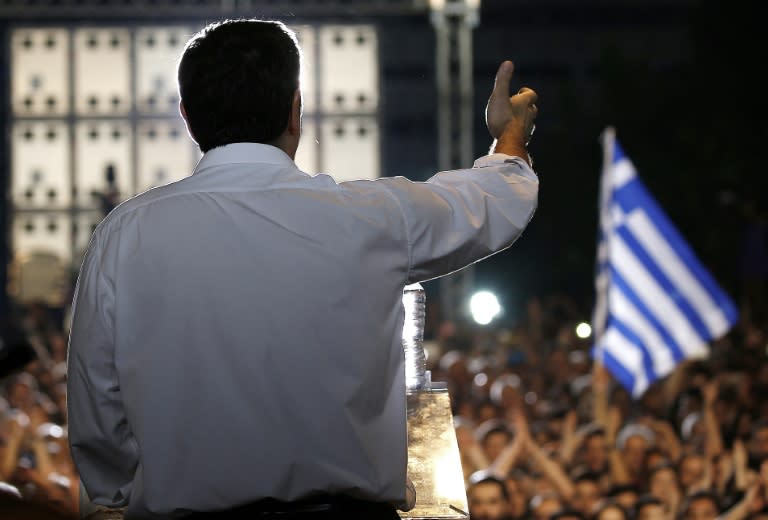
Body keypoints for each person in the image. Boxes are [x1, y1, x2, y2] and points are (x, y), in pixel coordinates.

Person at [66, 17, 539, 519]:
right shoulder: (371, 217)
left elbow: (98, 413)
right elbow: (494, 202)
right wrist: (509, 137)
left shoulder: (125, 235)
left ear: (187, 116)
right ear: (296, 110)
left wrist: (118, 492)